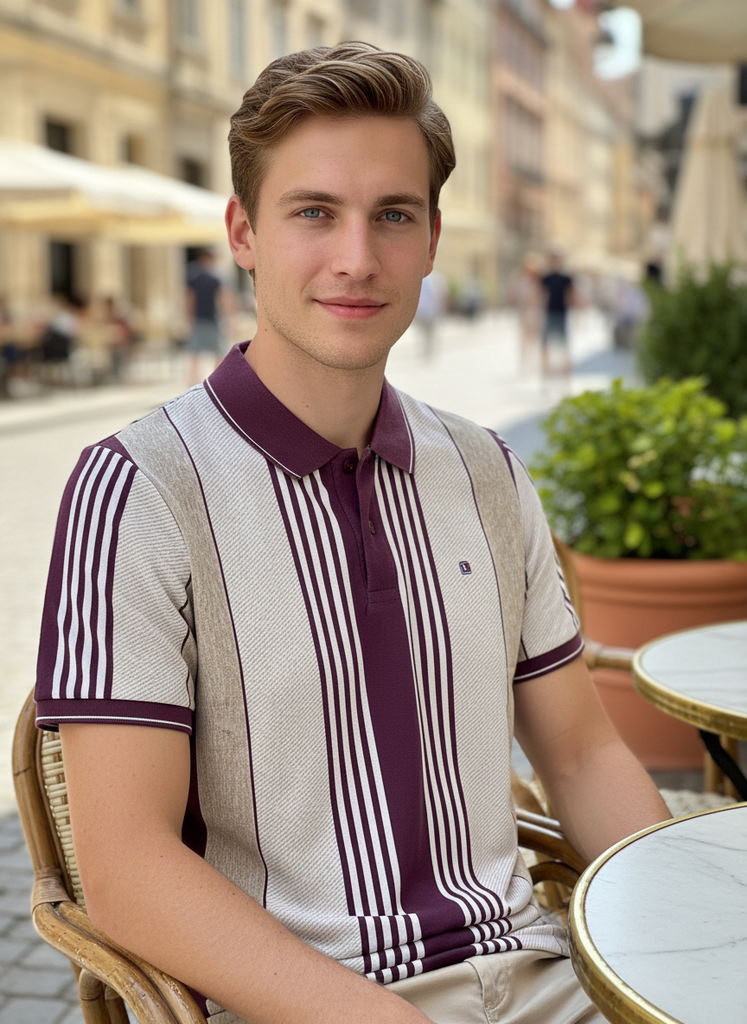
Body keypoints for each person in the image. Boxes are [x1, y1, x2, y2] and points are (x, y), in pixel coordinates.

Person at [34, 43, 670, 1024]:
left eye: (393, 215)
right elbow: (125, 868)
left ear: (431, 238)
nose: (357, 259)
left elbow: (583, 758)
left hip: (540, 982)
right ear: (244, 231)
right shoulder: (139, 490)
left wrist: (676, 945)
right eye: (314, 212)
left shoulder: (488, 471)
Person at [185, 248, 225, 383]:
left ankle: (193, 380)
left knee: (197, 352)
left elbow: (189, 299)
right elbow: (222, 298)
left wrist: (189, 316)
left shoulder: (195, 277)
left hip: (203, 318)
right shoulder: (214, 278)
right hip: (209, 318)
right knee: (216, 351)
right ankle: (215, 379)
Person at [540, 251, 574, 376]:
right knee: (545, 343)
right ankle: (546, 370)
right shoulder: (546, 278)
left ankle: (566, 370)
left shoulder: (567, 278)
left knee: (564, 344)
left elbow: (571, 296)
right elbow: (539, 295)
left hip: (562, 313)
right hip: (549, 313)